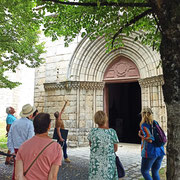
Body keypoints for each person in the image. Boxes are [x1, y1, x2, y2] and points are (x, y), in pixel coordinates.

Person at [15, 113, 62, 180]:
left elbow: (18, 176)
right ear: (49, 126)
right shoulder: (56, 148)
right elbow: (52, 177)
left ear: (34, 126)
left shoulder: (23, 146)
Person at [7, 104, 36, 180]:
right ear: (31, 114)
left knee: (16, 172)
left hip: (16, 150)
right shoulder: (30, 124)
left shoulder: (15, 123)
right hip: (26, 151)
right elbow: (30, 140)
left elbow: (10, 138)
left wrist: (12, 151)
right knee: (25, 173)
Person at [87, 111, 119, 180]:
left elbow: (91, 145)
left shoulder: (92, 132)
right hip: (108, 162)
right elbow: (115, 148)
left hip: (95, 162)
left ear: (95, 120)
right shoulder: (112, 132)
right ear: (105, 119)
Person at [138, 107, 165, 180]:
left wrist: (141, 136)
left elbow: (150, 140)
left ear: (143, 114)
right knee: (155, 171)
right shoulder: (155, 122)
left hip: (150, 152)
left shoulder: (144, 125)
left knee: (144, 171)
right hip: (160, 150)